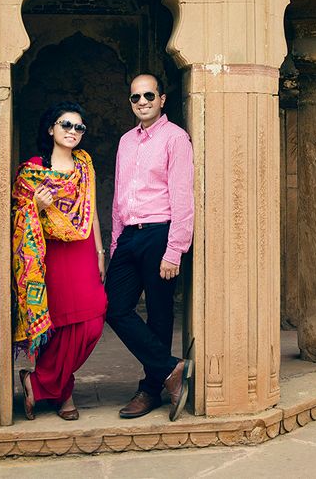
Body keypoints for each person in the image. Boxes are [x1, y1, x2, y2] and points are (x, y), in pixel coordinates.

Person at [12, 101, 107, 421]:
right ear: (51, 128)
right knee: (62, 325)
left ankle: (37, 382)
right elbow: (19, 216)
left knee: (93, 322)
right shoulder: (32, 170)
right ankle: (63, 392)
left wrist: (99, 251)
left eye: (79, 127)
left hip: (82, 250)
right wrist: (36, 207)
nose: (73, 132)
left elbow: (91, 211)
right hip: (49, 253)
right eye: (66, 125)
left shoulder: (84, 166)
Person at [107, 74, 195, 421]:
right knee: (113, 308)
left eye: (148, 95)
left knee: (159, 315)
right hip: (129, 235)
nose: (142, 102)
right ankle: (172, 368)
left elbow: (182, 196)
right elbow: (118, 196)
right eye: (135, 97)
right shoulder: (126, 141)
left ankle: (150, 389)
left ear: (162, 99)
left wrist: (175, 249)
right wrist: (116, 243)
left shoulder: (175, 138)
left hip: (160, 232)